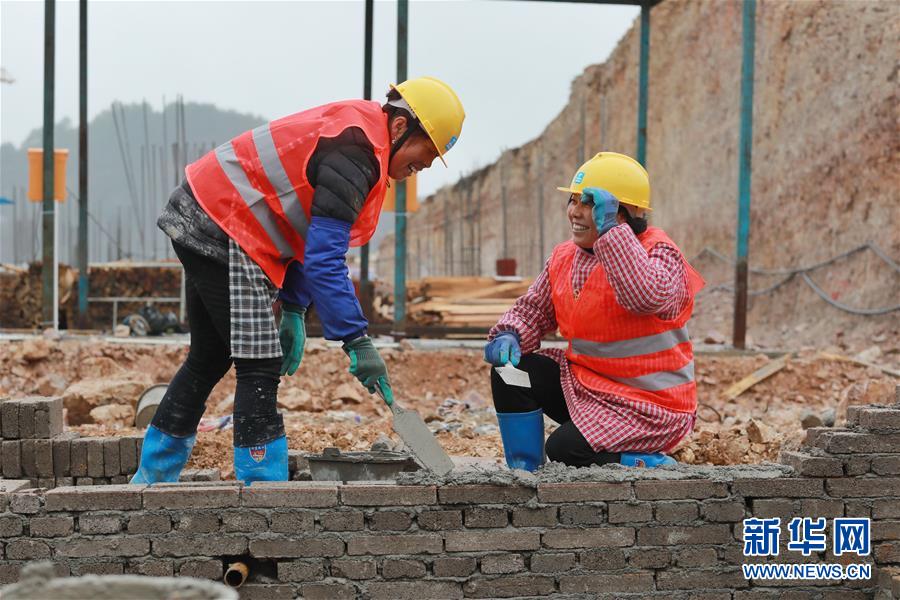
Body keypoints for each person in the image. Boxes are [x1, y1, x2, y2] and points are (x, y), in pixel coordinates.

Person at [131, 77, 465, 484]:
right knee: (260, 364)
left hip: (206, 213)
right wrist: (356, 338)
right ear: (400, 128)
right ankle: (264, 494)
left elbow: (309, 233)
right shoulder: (357, 152)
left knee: (210, 356)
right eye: (425, 153)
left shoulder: (361, 137)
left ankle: (151, 478)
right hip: (226, 225)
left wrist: (293, 306)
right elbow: (325, 259)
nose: (424, 167)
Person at [483, 152, 704, 471]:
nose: (575, 211)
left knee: (563, 450)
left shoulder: (659, 252)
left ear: (624, 213)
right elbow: (533, 310)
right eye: (573, 200)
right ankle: (525, 474)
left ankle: (646, 463)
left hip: (650, 407)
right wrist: (510, 334)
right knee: (510, 372)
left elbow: (646, 296)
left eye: (589, 203)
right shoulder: (564, 257)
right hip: (588, 388)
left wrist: (611, 234)